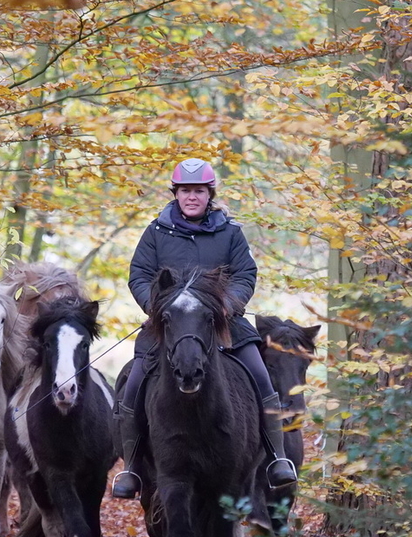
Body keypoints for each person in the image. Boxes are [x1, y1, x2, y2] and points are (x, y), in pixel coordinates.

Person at [112, 157, 298, 499]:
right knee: (133, 383)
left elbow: (245, 274)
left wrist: (227, 305)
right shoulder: (155, 232)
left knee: (260, 378)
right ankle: (132, 467)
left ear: (209, 194)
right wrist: (156, 307)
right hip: (168, 323)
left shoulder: (230, 232)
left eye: (198, 191)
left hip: (223, 322)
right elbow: (139, 275)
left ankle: (277, 458)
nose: (192, 197)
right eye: (185, 191)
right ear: (176, 193)